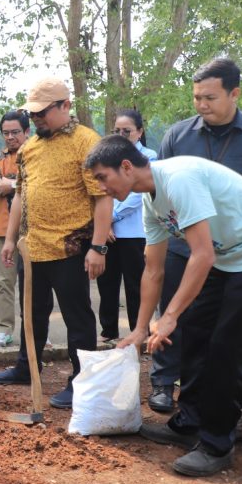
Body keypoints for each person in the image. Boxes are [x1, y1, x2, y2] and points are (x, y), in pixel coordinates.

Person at [86, 136, 242, 476]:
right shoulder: (150, 201)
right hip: (225, 256)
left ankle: (217, 444)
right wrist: (140, 329)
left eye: (103, 177)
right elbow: (154, 270)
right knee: (194, 333)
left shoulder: (178, 179)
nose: (102, 188)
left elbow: (202, 255)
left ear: (126, 167)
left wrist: (169, 316)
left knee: (229, 348)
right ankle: (189, 422)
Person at [147, 57, 242, 413]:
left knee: (225, 332)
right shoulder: (178, 135)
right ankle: (164, 383)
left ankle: (214, 413)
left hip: (240, 253)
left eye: (210, 98)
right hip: (185, 247)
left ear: (235, 94)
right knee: (178, 318)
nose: (201, 105)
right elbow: (158, 188)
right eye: (197, 97)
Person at [0, 77, 111, 411]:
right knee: (32, 312)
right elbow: (20, 195)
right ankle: (26, 367)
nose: (37, 118)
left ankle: (81, 380)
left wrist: (98, 247)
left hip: (71, 247)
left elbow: (103, 198)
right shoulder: (29, 148)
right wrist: (10, 239)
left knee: (77, 316)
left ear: (65, 106)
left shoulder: (87, 142)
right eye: (33, 113)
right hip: (34, 247)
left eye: (43, 112)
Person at [97, 109, 157, 343]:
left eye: (127, 131)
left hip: (135, 232)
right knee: (107, 283)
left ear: (139, 132)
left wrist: (110, 217)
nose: (121, 135)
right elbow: (101, 192)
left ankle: (138, 330)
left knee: (136, 284)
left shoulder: (148, 157)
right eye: (117, 131)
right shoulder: (108, 157)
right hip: (109, 233)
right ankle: (108, 330)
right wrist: (105, 225)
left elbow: (138, 195)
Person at [0, 110, 28, 347]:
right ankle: (4, 329)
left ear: (27, 131)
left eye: (15, 132)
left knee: (34, 283)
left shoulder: (35, 155)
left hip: (32, 230)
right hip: (2, 230)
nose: (10, 137)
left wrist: (10, 184)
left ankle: (36, 329)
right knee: (3, 281)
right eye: (5, 133)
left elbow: (37, 184)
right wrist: (19, 184)